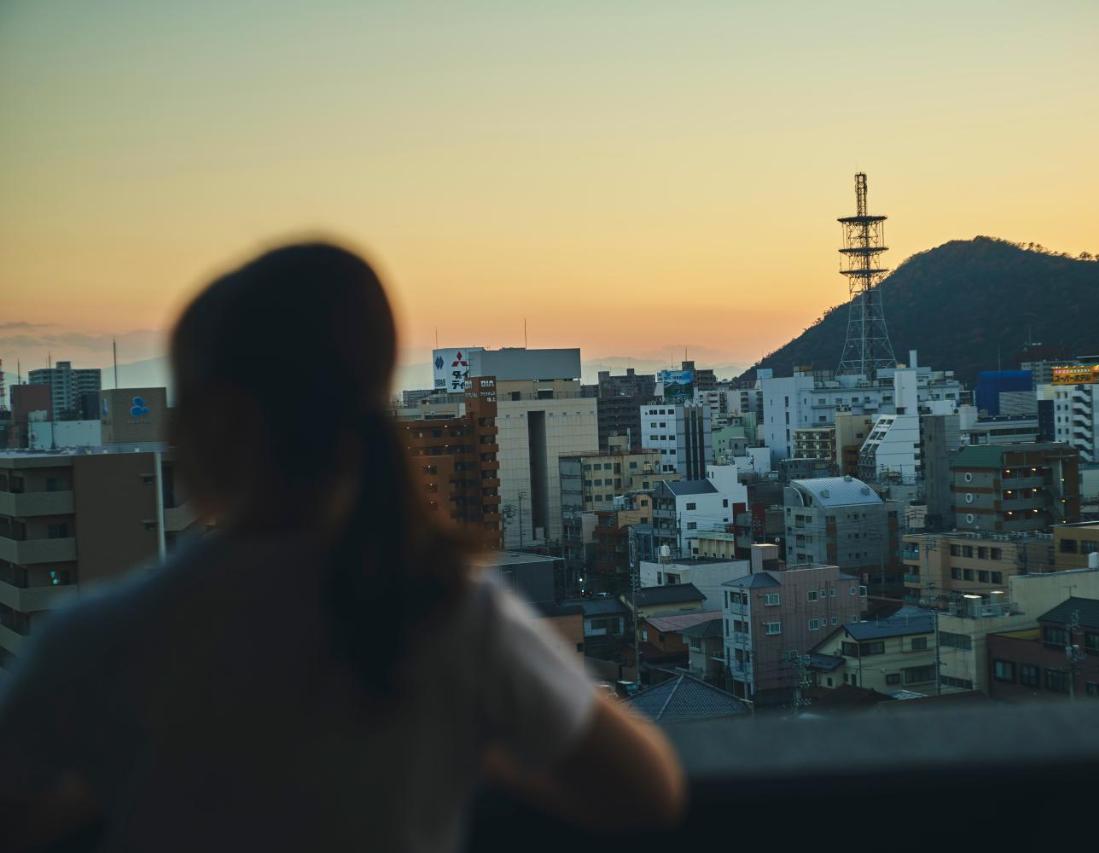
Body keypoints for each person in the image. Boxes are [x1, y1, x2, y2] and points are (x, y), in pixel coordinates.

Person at [0, 242, 685, 851]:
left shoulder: (107, 635)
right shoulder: (445, 612)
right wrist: (487, 751)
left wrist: (102, 784)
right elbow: (646, 789)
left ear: (217, 423)